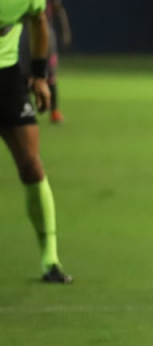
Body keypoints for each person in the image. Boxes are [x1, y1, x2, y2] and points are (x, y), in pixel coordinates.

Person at [1, 0, 71, 283]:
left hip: (6, 79)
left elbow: (39, 20)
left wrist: (41, 77)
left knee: (31, 166)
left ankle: (50, 260)